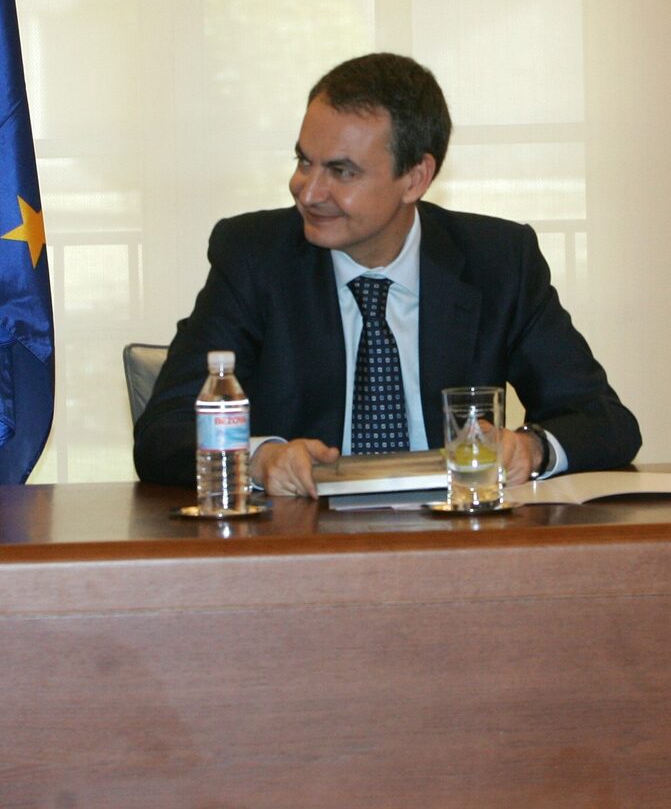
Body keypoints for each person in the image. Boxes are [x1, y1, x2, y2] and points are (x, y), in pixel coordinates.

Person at [134, 53, 641, 496]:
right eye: (304, 161)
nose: (308, 191)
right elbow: (164, 431)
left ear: (415, 178)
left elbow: (604, 421)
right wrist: (261, 458)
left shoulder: (498, 261)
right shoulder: (254, 256)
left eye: (341, 171)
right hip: (303, 545)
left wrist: (531, 449)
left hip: (458, 545)